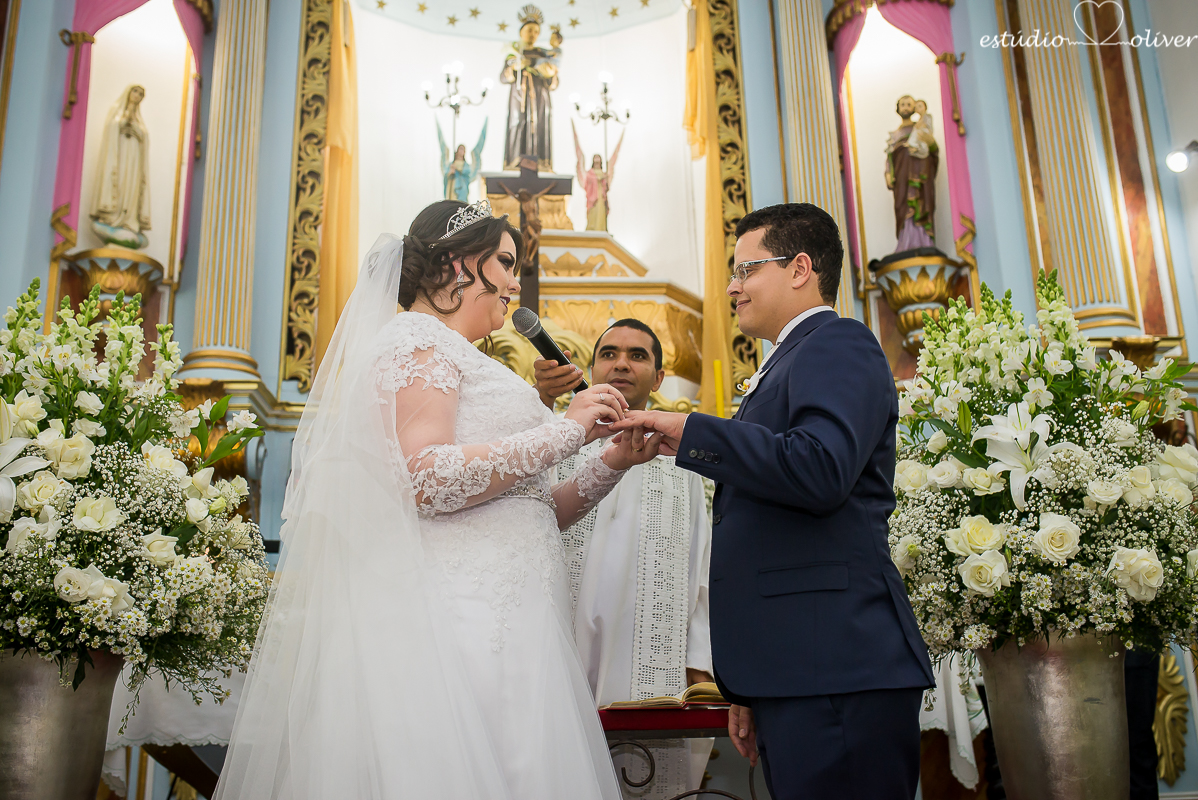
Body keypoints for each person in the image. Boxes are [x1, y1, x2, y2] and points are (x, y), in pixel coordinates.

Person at [214, 199, 666, 800]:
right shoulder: (418, 341)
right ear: (459, 264)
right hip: (459, 621)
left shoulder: (461, 355)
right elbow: (427, 479)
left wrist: (611, 462)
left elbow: (535, 508)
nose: (514, 283)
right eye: (505, 263)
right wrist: (567, 429)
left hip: (518, 616)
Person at [611, 203, 935, 799]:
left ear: (800, 269)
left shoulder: (837, 341)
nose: (732, 288)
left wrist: (696, 432)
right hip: (798, 668)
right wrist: (755, 684)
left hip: (836, 665)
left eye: (746, 269)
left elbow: (821, 468)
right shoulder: (788, 359)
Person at [535, 320, 714, 798]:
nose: (621, 364)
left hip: (647, 647)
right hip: (562, 636)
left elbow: (700, 569)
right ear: (592, 368)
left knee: (646, 777)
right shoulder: (556, 440)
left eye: (637, 356)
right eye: (609, 353)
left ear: (659, 378)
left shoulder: (684, 460)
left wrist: (699, 663)